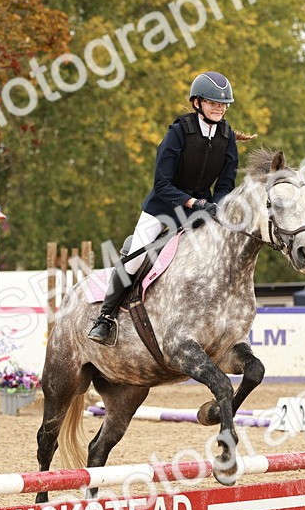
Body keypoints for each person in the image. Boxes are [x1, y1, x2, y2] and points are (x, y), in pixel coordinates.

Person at [87, 71, 242, 344]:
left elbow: (226, 183)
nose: (219, 108)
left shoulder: (227, 137)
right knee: (135, 256)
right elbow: (162, 183)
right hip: (163, 206)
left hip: (202, 209)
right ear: (197, 103)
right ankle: (105, 317)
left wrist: (215, 206)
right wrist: (195, 203)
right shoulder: (179, 132)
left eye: (223, 104)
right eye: (213, 103)